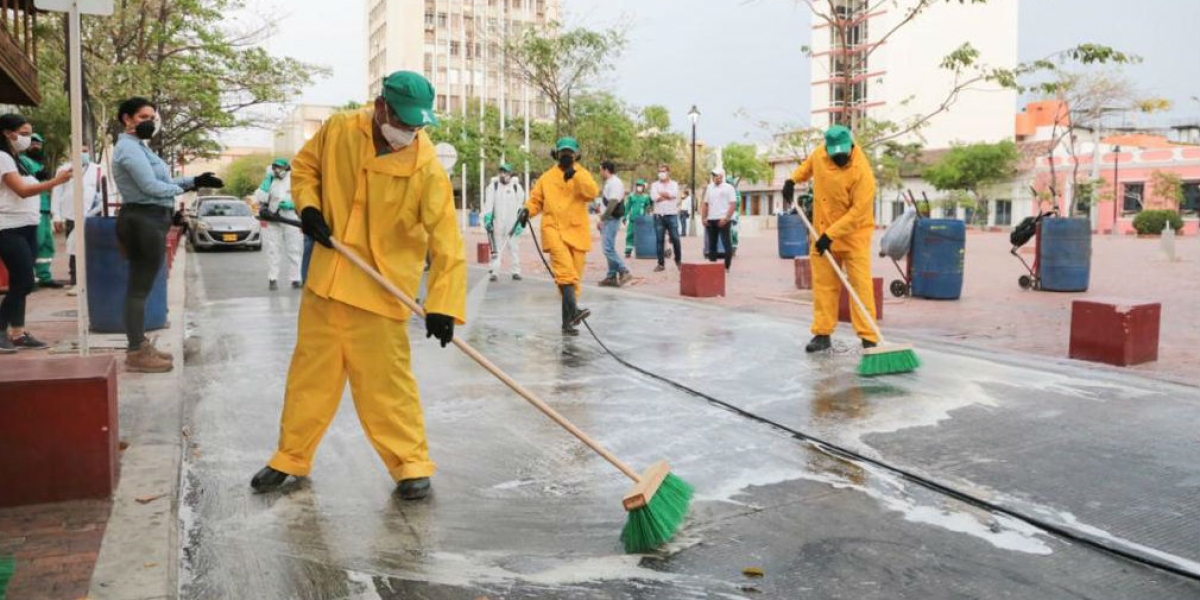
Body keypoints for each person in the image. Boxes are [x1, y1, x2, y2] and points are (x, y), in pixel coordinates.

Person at [249, 71, 466, 501]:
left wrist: (443, 304)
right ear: (380, 106)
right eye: (403, 121)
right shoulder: (339, 130)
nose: (409, 131)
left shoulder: (426, 169)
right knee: (309, 378)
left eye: (417, 125)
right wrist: (309, 208)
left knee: (388, 386)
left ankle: (410, 465)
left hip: (381, 292)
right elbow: (305, 168)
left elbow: (447, 243)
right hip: (327, 283)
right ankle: (290, 457)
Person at [112, 97, 224, 372]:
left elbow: (164, 182)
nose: (149, 122)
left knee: (142, 286)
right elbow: (151, 187)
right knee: (138, 288)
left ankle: (139, 345)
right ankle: (136, 351)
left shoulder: (140, 147)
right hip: (142, 219)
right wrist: (183, 189)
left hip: (151, 219)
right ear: (127, 118)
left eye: (152, 117)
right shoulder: (127, 149)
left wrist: (194, 181)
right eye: (142, 117)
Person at [782, 125, 878, 352]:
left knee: (861, 287)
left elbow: (858, 214)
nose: (839, 159)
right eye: (835, 155)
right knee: (824, 287)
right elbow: (806, 168)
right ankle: (822, 334)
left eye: (842, 155)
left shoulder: (862, 172)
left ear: (851, 146)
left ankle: (869, 337)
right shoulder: (819, 154)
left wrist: (830, 235)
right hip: (822, 233)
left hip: (853, 236)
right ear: (827, 149)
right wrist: (791, 181)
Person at [0, 114, 73, 353]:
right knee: (23, 282)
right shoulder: (2, 158)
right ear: (7, 132)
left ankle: (18, 333)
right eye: (23, 132)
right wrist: (56, 181)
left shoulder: (16, 159)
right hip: (9, 228)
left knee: (21, 284)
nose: (27, 138)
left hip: (27, 226)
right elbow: (21, 191)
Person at [515, 137, 598, 336]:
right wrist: (526, 210)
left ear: (576, 155)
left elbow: (592, 193)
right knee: (565, 274)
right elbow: (536, 200)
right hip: (553, 231)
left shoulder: (582, 175)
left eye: (570, 153)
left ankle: (567, 323)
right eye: (563, 153)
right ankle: (575, 311)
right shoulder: (546, 178)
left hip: (576, 233)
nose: (566, 156)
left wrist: (575, 176)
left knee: (572, 280)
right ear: (556, 154)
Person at [50, 144, 105, 293]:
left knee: (93, 248)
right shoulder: (64, 170)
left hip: (93, 215)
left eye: (85, 151)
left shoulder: (98, 169)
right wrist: (57, 215)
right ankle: (76, 281)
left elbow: (104, 192)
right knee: (74, 249)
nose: (82, 154)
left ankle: (93, 281)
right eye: (79, 151)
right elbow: (57, 193)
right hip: (71, 216)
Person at [18, 133, 61, 288]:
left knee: (46, 244)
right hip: (31, 209)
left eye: (38, 143)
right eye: (33, 143)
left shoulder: (40, 164)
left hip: (43, 207)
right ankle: (30, 279)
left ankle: (44, 276)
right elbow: (22, 181)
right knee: (34, 243)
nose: (35, 146)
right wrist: (38, 175)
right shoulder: (22, 161)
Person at [256, 158, 302, 290]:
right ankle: (273, 279)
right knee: (273, 250)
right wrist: (266, 183)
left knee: (294, 249)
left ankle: (296, 278)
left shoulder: (294, 179)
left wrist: (293, 205)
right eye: (275, 167)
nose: (277, 170)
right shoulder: (270, 179)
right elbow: (260, 198)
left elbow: (302, 197)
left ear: (286, 168)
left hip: (291, 218)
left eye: (280, 168)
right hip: (273, 219)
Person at [482, 162, 525, 282]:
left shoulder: (516, 188)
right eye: (501, 171)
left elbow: (521, 207)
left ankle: (515, 271)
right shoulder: (493, 187)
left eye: (505, 172)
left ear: (510, 174)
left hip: (513, 223)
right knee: (497, 248)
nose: (502, 174)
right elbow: (488, 205)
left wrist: (520, 224)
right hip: (498, 223)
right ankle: (494, 272)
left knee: (514, 247)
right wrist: (487, 219)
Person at [596, 160, 631, 287]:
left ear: (606, 170)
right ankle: (611, 276)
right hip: (608, 219)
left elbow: (613, 203)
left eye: (600, 169)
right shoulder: (609, 182)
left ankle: (624, 270)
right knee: (608, 247)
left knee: (608, 249)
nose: (600, 172)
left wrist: (603, 218)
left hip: (611, 219)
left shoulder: (615, 183)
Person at [702, 167, 737, 272]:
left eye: (717, 175)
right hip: (711, 219)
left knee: (727, 244)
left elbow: (733, 204)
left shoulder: (729, 188)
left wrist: (726, 218)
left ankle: (727, 267)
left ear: (722, 176)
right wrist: (703, 218)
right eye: (714, 176)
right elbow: (705, 204)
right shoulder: (709, 188)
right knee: (712, 245)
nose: (716, 178)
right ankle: (712, 266)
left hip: (723, 220)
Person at [649, 164, 681, 272]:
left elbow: (674, 195)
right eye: (659, 171)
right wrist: (667, 196)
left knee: (675, 238)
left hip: (671, 214)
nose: (661, 173)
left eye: (663, 171)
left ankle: (678, 260)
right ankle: (660, 264)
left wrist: (662, 194)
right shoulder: (654, 185)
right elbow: (654, 197)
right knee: (659, 240)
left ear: (668, 172)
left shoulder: (674, 184)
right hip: (659, 216)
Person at [623, 178, 651, 258]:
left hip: (642, 220)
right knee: (630, 235)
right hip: (632, 220)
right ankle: (628, 252)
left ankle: (642, 251)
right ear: (636, 186)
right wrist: (624, 217)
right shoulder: (631, 196)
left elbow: (648, 207)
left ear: (643, 187)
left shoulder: (646, 197)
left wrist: (648, 210)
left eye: (641, 186)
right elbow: (627, 207)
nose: (639, 187)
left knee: (642, 236)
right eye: (638, 185)